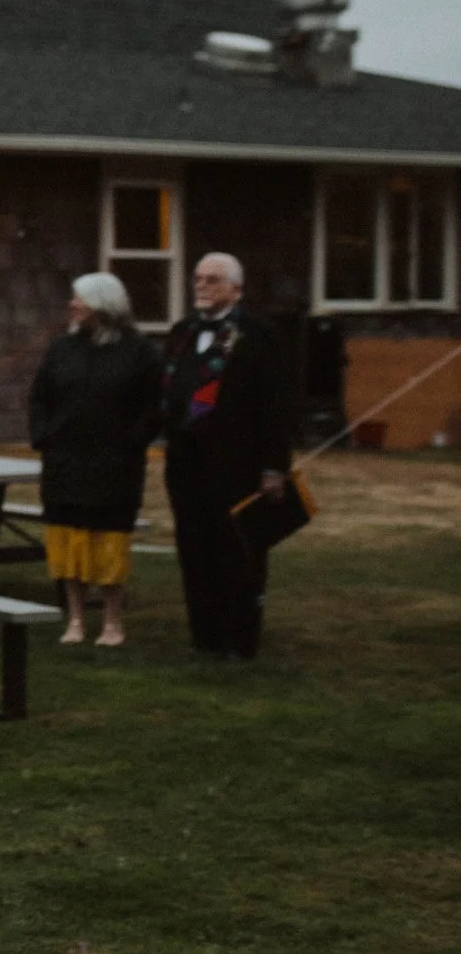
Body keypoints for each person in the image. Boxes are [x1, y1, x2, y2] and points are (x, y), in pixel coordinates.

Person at [161, 253, 294, 658]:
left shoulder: (258, 334)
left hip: (237, 462)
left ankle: (239, 639)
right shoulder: (182, 332)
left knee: (237, 550)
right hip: (187, 461)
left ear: (236, 288)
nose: (202, 286)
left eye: (213, 280)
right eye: (198, 279)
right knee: (194, 548)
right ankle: (205, 636)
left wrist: (274, 466)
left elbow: (276, 405)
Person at [29, 273, 164, 646]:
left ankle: (111, 621)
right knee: (69, 539)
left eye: (80, 300)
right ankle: (74, 619)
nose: (72, 305)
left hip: (114, 465)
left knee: (109, 542)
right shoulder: (61, 350)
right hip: (65, 462)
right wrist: (44, 436)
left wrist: (132, 442)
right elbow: (39, 397)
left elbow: (153, 406)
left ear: (104, 305)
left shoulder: (139, 352)